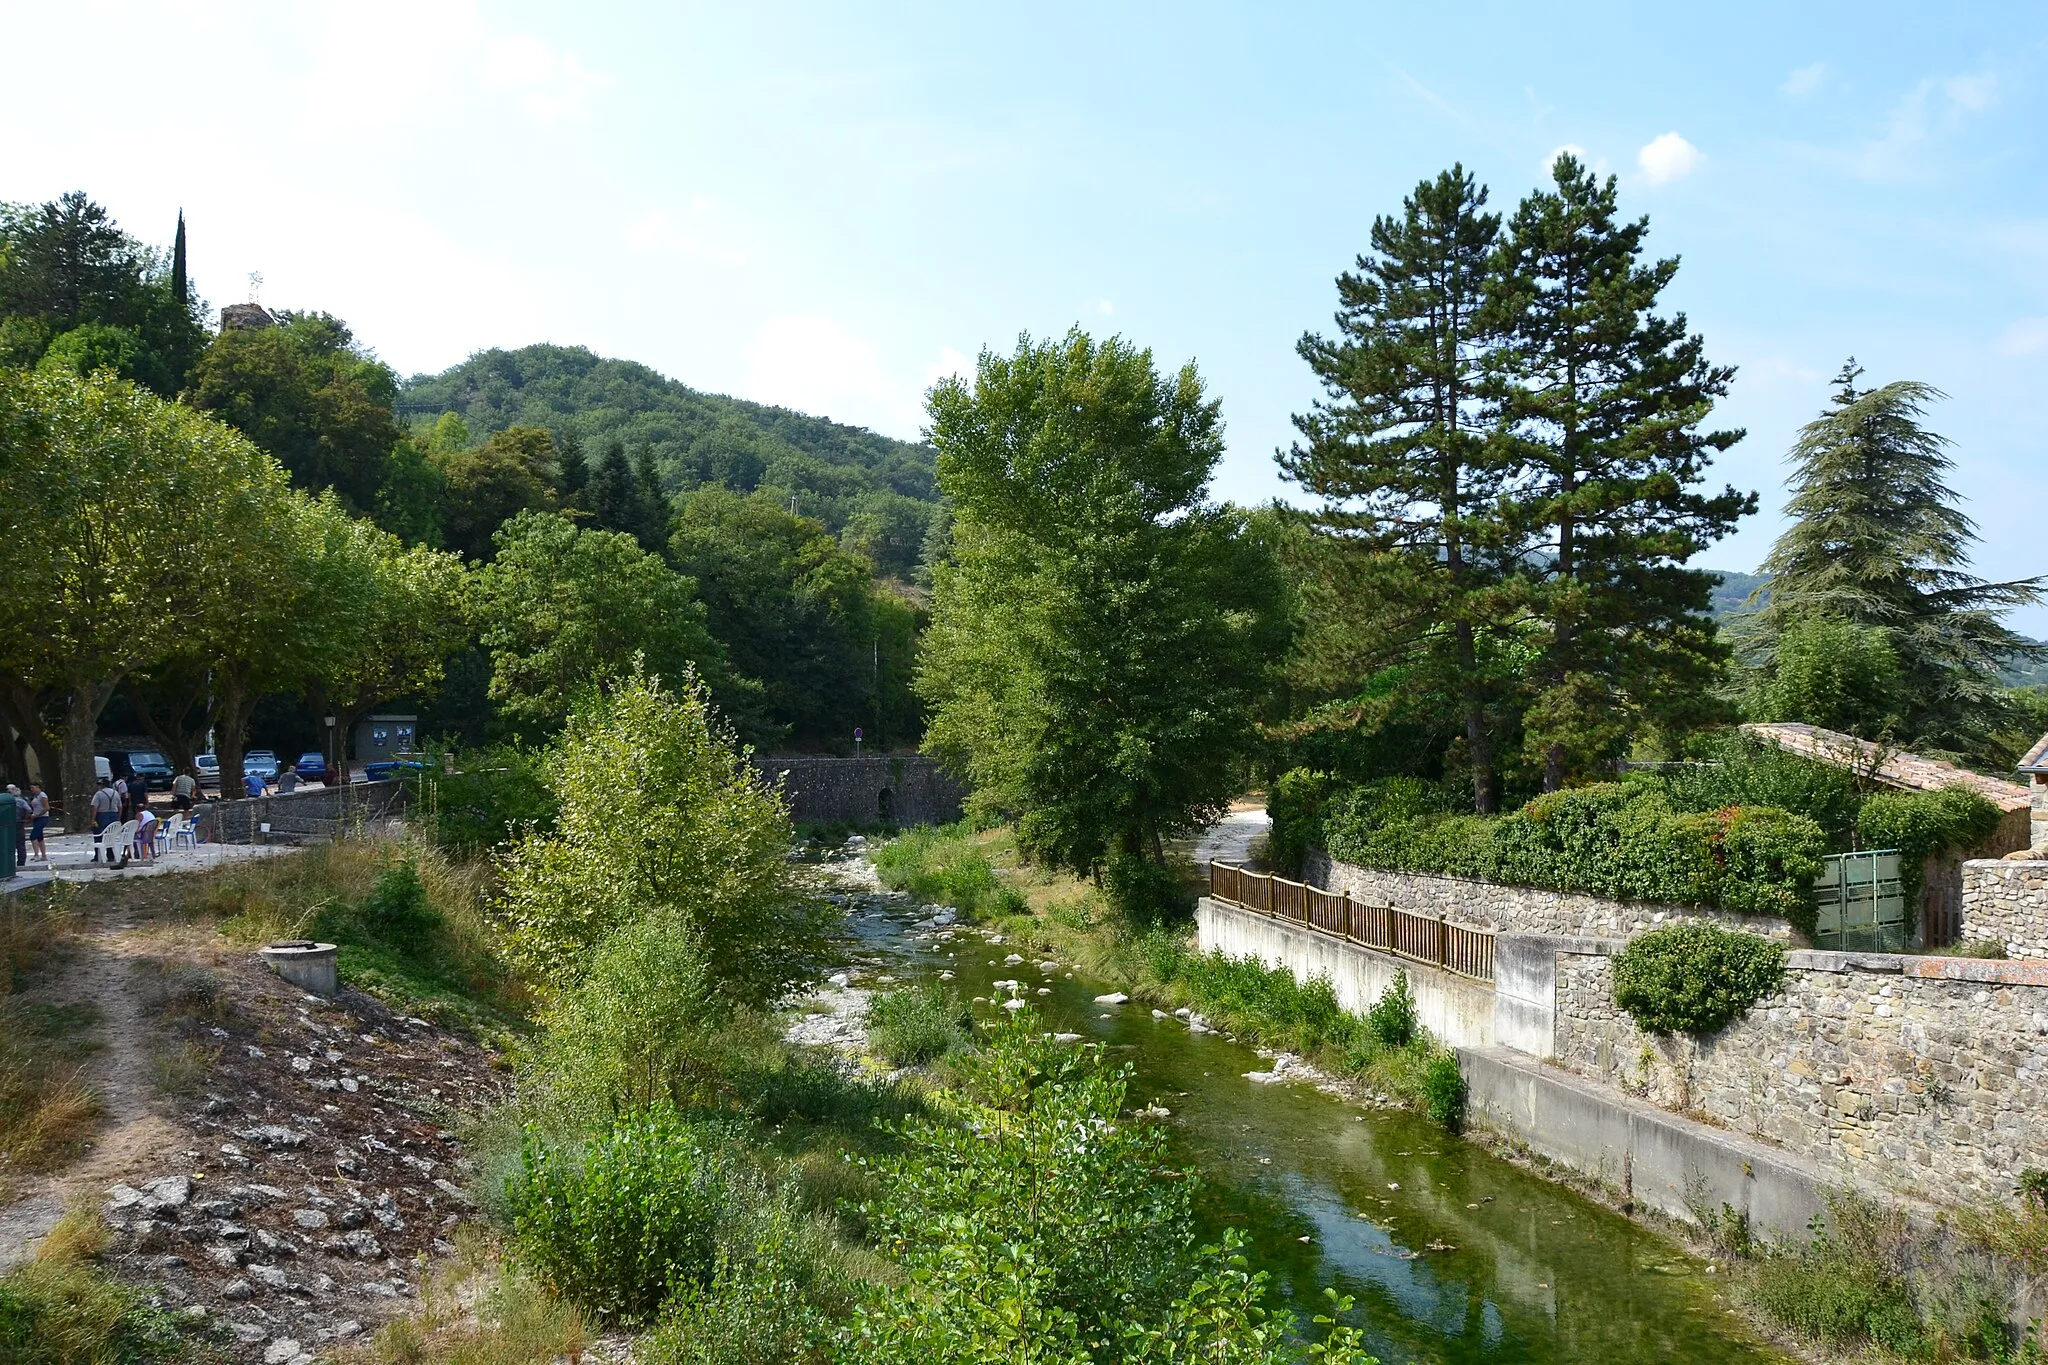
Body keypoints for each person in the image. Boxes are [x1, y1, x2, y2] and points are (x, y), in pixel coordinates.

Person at [26, 782, 49, 862]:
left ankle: (36, 854)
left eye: (33, 788)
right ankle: (44, 855)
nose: (32, 790)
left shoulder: (42, 795)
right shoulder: (36, 796)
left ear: (37, 787)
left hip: (42, 817)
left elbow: (46, 808)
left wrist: (37, 815)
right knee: (40, 837)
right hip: (36, 817)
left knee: (33, 836)